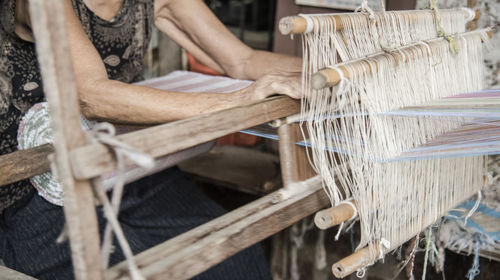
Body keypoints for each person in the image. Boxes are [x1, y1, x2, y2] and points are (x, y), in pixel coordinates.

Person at [0, 0, 302, 279]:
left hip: (125, 165)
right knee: (145, 270)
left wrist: (328, 73)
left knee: (233, 255)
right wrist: (236, 102)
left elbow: (242, 61)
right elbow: (91, 95)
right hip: (35, 189)